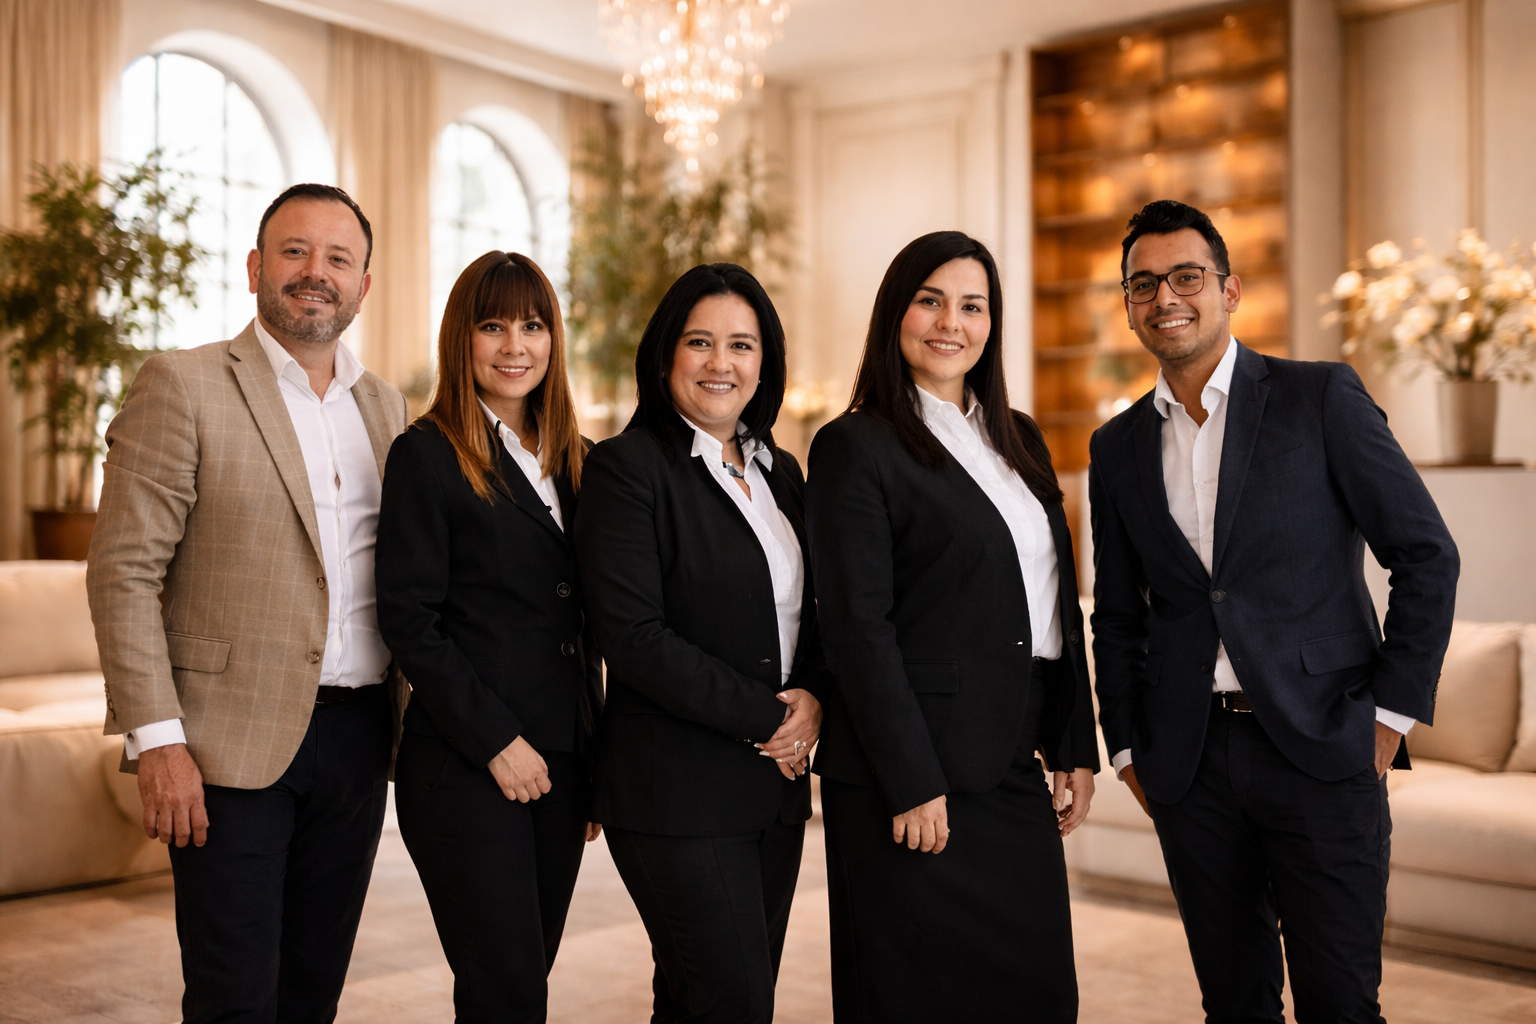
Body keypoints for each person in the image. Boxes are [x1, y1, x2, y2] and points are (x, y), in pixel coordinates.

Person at [1090, 199, 1460, 1023]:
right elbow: (1116, 614)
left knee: (1340, 1003)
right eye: (1143, 284)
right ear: (1129, 305)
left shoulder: (1319, 397)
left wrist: (1388, 718)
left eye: (1187, 277)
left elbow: (1427, 555)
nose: (1165, 297)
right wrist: (1128, 748)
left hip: (1324, 746)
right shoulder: (1115, 447)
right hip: (1188, 761)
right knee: (1233, 1003)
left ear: (1229, 291)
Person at [86, 184, 408, 1024]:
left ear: (364, 283)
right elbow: (123, 571)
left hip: (360, 738)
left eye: (338, 258)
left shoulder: (387, 407)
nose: (316, 272)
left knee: (313, 991)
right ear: (257, 266)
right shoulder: (183, 383)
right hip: (223, 745)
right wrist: (158, 739)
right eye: (295, 251)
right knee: (234, 996)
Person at [805, 230, 1099, 1023]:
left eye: (972, 306)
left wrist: (1073, 741)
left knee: (1037, 993)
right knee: (917, 998)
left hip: (1011, 759)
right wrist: (911, 778)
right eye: (930, 300)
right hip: (911, 772)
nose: (951, 323)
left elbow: (1054, 598)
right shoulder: (853, 445)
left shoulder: (1020, 436)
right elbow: (857, 628)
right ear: (894, 313)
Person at [574, 263, 828, 1024]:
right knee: (733, 1000)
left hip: (773, 791)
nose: (722, 363)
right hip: (674, 791)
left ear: (765, 361)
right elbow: (634, 637)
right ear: (664, 356)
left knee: (702, 1000)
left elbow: (819, 611)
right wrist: (774, 718)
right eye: (700, 342)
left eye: (742, 345)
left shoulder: (783, 473)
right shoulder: (626, 469)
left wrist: (815, 698)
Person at [374, 251, 603, 1024]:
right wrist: (497, 741)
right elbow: (410, 620)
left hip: (562, 764)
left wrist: (591, 759)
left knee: (522, 983)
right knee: (506, 990)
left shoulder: (579, 461)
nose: (515, 346)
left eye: (532, 326)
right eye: (493, 326)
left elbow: (589, 626)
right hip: (467, 767)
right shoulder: (427, 454)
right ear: (461, 339)